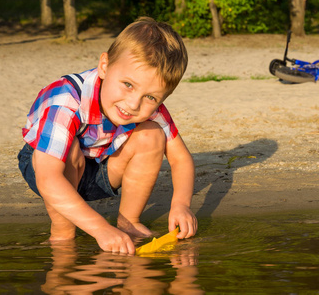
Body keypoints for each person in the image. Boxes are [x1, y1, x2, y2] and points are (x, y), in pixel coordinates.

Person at [17, 17, 197, 254]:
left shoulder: (150, 109)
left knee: (151, 134)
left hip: (98, 169)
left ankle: (128, 222)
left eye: (151, 97)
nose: (133, 104)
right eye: (128, 84)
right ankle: (62, 233)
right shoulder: (67, 99)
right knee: (70, 148)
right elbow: (48, 178)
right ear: (104, 65)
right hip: (48, 170)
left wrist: (181, 205)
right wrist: (100, 228)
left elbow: (181, 159)